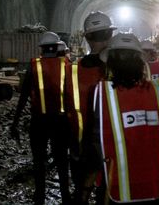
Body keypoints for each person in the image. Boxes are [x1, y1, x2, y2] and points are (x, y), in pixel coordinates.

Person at [92, 32, 159, 204]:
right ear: (140, 63)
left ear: (110, 64)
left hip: (120, 189)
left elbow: (95, 145)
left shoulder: (103, 94)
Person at [10, 32, 71, 204]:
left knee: (39, 160)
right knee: (61, 160)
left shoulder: (34, 65)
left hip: (39, 121)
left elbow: (23, 96)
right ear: (57, 47)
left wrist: (15, 121)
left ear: (42, 49)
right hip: (60, 121)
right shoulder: (66, 64)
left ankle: (39, 196)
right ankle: (66, 195)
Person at [65, 11, 116, 204]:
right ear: (110, 35)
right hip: (113, 141)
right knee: (110, 191)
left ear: (86, 37)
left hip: (81, 142)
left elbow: (67, 108)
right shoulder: (118, 69)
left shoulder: (72, 70)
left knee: (82, 190)